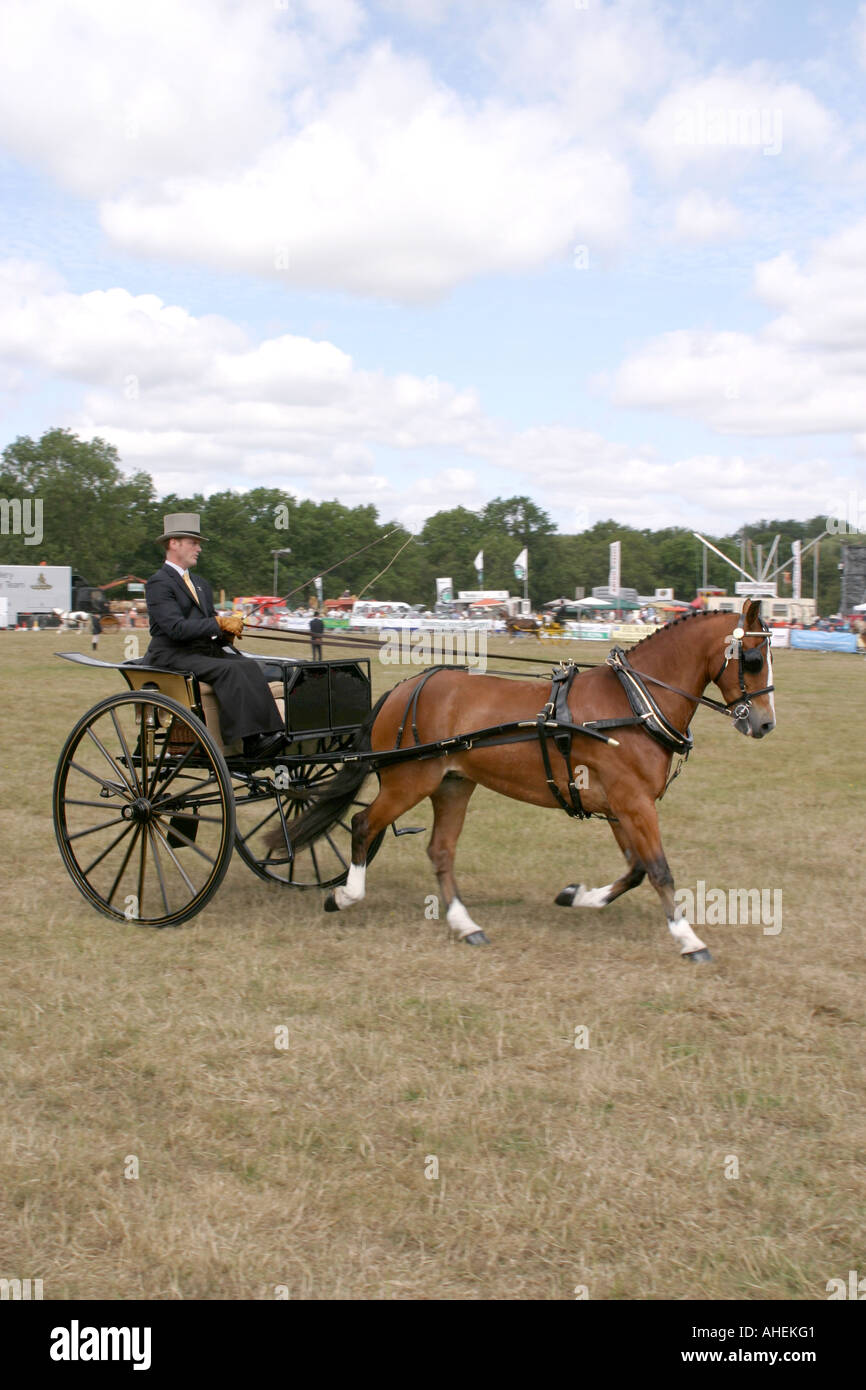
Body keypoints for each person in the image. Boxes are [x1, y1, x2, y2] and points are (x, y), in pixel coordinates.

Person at [143, 513, 284, 760]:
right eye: (193, 542)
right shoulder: (159, 583)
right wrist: (218, 623)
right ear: (174, 543)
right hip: (171, 655)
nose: (198, 548)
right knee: (231, 670)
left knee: (249, 665)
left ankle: (269, 733)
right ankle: (250, 740)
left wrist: (227, 633)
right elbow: (176, 628)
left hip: (200, 653)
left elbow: (209, 625)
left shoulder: (199, 584)